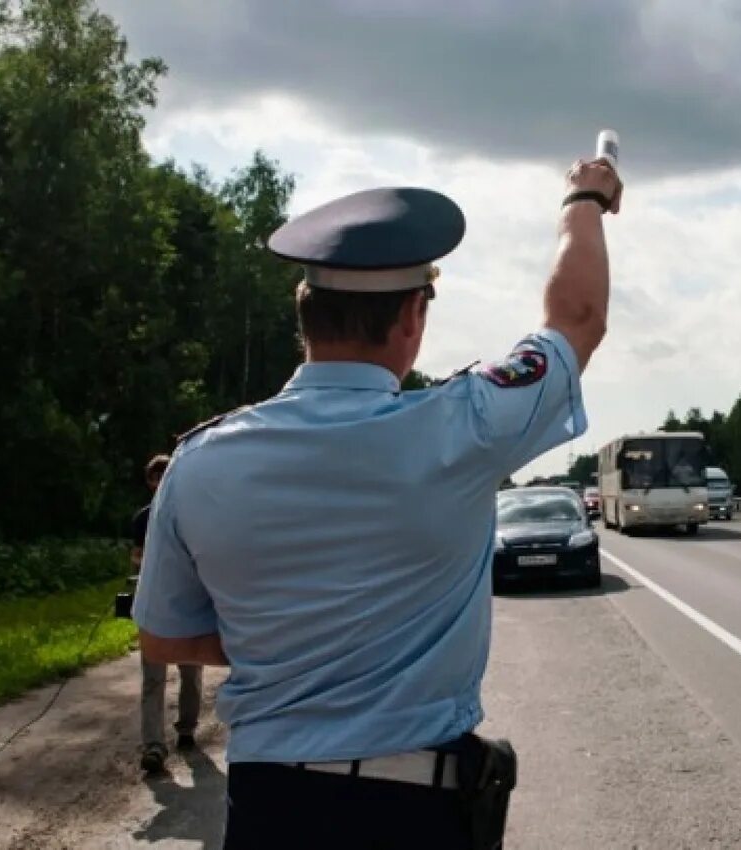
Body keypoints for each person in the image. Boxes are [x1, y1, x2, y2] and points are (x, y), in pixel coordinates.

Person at [132, 158, 622, 848]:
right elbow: (577, 317)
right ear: (412, 317)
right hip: (414, 811)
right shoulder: (462, 428)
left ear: (306, 313)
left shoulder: (201, 460)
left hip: (268, 809)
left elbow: (164, 637)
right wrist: (585, 197)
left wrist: (282, 648)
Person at [131, 454, 204, 775]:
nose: (160, 483)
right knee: (153, 679)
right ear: (150, 483)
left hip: (189, 606)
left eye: (165, 476)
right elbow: (135, 556)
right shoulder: (143, 519)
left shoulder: (195, 516)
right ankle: (153, 746)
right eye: (155, 478)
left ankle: (186, 728)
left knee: (191, 674)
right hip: (154, 606)